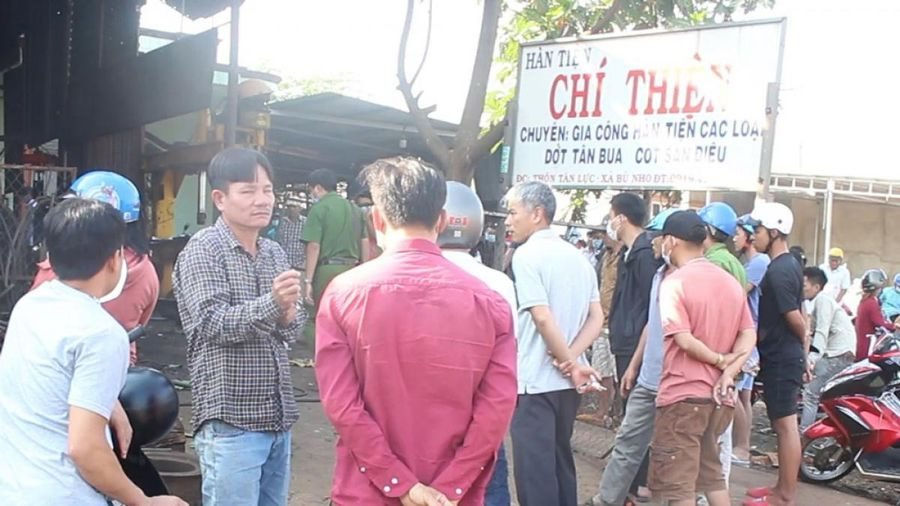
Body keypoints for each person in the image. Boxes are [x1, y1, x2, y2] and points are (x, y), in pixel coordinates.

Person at [315, 157, 516, 505]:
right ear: (441, 220)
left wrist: (399, 483)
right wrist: (450, 487)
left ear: (377, 219)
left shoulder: (342, 294)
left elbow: (342, 406)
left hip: (368, 493)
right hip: (453, 499)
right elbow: (497, 409)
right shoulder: (490, 303)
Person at [0, 198, 186, 506]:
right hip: (64, 495)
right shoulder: (102, 333)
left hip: (14, 490)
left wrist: (106, 401)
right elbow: (85, 448)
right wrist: (144, 501)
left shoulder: (29, 306)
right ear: (115, 259)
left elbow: (51, 378)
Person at [173, 147, 304, 506]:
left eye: (267, 189)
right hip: (231, 421)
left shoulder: (274, 252)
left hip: (277, 418)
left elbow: (290, 330)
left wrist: (288, 315)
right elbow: (211, 323)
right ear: (220, 198)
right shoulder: (204, 250)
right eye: (248, 191)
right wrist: (273, 304)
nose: (262, 200)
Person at [504, 181, 604, 506]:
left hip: (534, 381)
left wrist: (568, 362)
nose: (508, 221)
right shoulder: (579, 258)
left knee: (535, 476)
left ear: (537, 214)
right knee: (561, 465)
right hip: (566, 385)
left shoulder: (527, 255)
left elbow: (542, 317)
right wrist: (572, 360)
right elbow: (597, 318)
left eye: (513, 212)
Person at [649, 210, 756, 506]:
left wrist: (721, 361)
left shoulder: (675, 283)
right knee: (711, 476)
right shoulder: (730, 282)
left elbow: (684, 339)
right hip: (720, 399)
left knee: (678, 486)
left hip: (683, 396)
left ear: (671, 241)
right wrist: (728, 371)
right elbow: (748, 335)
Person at [437, 181, 516, 506]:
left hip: (420, 421)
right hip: (479, 421)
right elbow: (507, 363)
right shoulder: (499, 283)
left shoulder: (401, 275)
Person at [589, 207, 675, 506]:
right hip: (637, 353)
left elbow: (652, 314)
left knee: (650, 433)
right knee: (630, 431)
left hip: (656, 364)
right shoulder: (644, 262)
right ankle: (619, 493)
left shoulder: (647, 259)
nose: (654, 243)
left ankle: (640, 487)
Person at [31, 171, 159, 366]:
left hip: (56, 367)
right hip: (120, 365)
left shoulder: (60, 267)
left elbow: (37, 320)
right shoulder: (145, 269)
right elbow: (142, 320)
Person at [745, 202, 807, 506]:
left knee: (785, 425)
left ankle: (785, 495)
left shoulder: (780, 270)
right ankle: (779, 486)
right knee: (780, 425)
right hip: (782, 355)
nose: (752, 235)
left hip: (782, 357)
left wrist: (803, 347)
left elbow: (795, 317)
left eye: (757, 230)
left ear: (773, 232)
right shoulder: (788, 264)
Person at [606, 194, 664, 501]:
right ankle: (632, 482)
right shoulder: (631, 252)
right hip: (626, 342)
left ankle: (638, 482)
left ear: (622, 218)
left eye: (611, 215)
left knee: (636, 417)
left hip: (635, 346)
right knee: (631, 414)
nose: (609, 222)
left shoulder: (643, 255)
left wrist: (637, 353)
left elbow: (650, 306)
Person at [697, 202, 747, 484]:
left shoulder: (713, 263)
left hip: (714, 354)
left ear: (707, 229)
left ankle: (707, 490)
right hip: (731, 353)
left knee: (709, 431)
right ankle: (717, 486)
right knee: (721, 428)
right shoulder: (734, 263)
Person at [731, 215, 771, 465]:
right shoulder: (749, 264)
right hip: (749, 335)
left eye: (738, 234)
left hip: (747, 336)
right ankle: (741, 446)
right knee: (743, 396)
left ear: (749, 237)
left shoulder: (759, 263)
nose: (734, 238)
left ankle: (742, 448)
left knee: (735, 394)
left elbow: (737, 295)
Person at [302, 168, 369, 311]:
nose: (312, 194)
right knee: (348, 315)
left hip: (326, 272)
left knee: (319, 315)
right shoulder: (355, 209)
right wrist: (365, 272)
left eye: (311, 191)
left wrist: (308, 281)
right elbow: (365, 242)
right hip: (353, 271)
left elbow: (313, 246)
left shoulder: (319, 209)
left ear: (318, 188)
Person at [800, 267, 856, 429]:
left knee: (811, 394)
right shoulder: (820, 302)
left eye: (804, 285)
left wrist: (812, 359)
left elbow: (821, 332)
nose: (802, 288)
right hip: (839, 353)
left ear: (816, 287)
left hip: (837, 355)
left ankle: (803, 435)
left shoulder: (823, 300)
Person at [855, 269, 897, 360]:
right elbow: (879, 322)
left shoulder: (865, 300)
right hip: (868, 341)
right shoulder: (871, 303)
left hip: (863, 339)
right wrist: (894, 326)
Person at [274, 196, 307, 269]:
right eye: (289, 206)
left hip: (300, 264)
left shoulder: (306, 223)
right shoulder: (281, 222)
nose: (291, 209)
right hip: (283, 264)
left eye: (294, 207)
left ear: (300, 208)